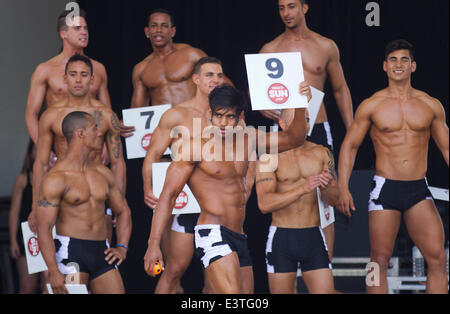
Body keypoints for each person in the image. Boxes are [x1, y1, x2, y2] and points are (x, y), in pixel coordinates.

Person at [144, 85, 310, 294]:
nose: (223, 123)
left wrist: (299, 102)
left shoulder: (249, 139)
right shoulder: (194, 148)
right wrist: (153, 244)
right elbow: (168, 196)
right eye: (218, 116)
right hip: (212, 233)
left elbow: (294, 138)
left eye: (230, 117)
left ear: (240, 116)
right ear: (209, 114)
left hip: (239, 235)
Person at [337, 39, 449, 294]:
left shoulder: (430, 105)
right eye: (394, 60)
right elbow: (350, 146)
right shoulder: (372, 105)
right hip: (385, 189)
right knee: (378, 260)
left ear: (413, 66)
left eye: (404, 60)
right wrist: (343, 186)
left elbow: (446, 147)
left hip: (419, 189)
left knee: (438, 258)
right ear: (385, 66)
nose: (399, 64)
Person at [260, 0, 354, 259]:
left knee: (325, 193)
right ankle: (283, 267)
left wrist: (352, 130)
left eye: (291, 6)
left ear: (305, 7)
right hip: (284, 130)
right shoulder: (269, 49)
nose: (286, 13)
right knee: (281, 190)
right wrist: (261, 109)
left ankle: (324, 268)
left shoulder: (325, 45)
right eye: (281, 8)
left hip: (319, 128)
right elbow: (260, 95)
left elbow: (340, 89)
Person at [142, 57, 227, 294]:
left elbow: (244, 158)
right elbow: (153, 154)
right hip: (186, 203)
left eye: (219, 75)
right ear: (196, 79)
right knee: (175, 268)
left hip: (218, 203)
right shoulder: (177, 115)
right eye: (209, 75)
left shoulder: (230, 115)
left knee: (215, 275)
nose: (216, 80)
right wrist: (148, 187)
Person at [29, 55, 125, 240]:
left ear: (92, 79)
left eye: (83, 74)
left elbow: (118, 162)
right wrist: (35, 206)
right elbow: (40, 164)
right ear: (65, 79)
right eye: (73, 74)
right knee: (58, 257)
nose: (78, 80)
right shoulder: (51, 116)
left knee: (103, 251)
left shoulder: (106, 115)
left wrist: (117, 202)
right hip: (63, 192)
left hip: (97, 191)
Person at [37, 111, 132, 294]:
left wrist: (122, 247)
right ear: (80, 134)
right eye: (94, 128)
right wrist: (53, 270)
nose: (100, 132)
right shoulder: (56, 178)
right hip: (70, 254)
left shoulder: (103, 173)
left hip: (102, 251)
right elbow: (44, 228)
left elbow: (123, 211)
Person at [255, 109, 340, 294]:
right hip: (282, 238)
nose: (304, 126)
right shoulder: (269, 156)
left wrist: (326, 187)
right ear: (282, 124)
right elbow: (264, 204)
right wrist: (302, 188)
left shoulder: (323, 153)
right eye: (298, 121)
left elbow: (335, 199)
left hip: (314, 235)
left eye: (307, 120)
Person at [121, 9, 232, 137]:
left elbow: (224, 84)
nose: (158, 30)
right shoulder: (141, 69)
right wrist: (126, 125)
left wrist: (234, 111)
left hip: (197, 125)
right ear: (147, 32)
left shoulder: (191, 54)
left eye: (164, 26)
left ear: (172, 31)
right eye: (154, 26)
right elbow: (137, 111)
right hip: (166, 132)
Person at [25, 9, 111, 145]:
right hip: (60, 146)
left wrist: (107, 145)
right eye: (77, 28)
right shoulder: (45, 70)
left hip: (93, 148)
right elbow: (31, 115)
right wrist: (43, 148)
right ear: (63, 34)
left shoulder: (98, 69)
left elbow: (107, 113)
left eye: (85, 28)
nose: (84, 32)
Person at [8, 140, 46, 293]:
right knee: (27, 287)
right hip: (27, 235)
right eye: (38, 149)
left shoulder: (54, 178)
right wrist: (13, 241)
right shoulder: (23, 179)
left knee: (48, 285)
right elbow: (14, 212)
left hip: (49, 234)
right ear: (31, 153)